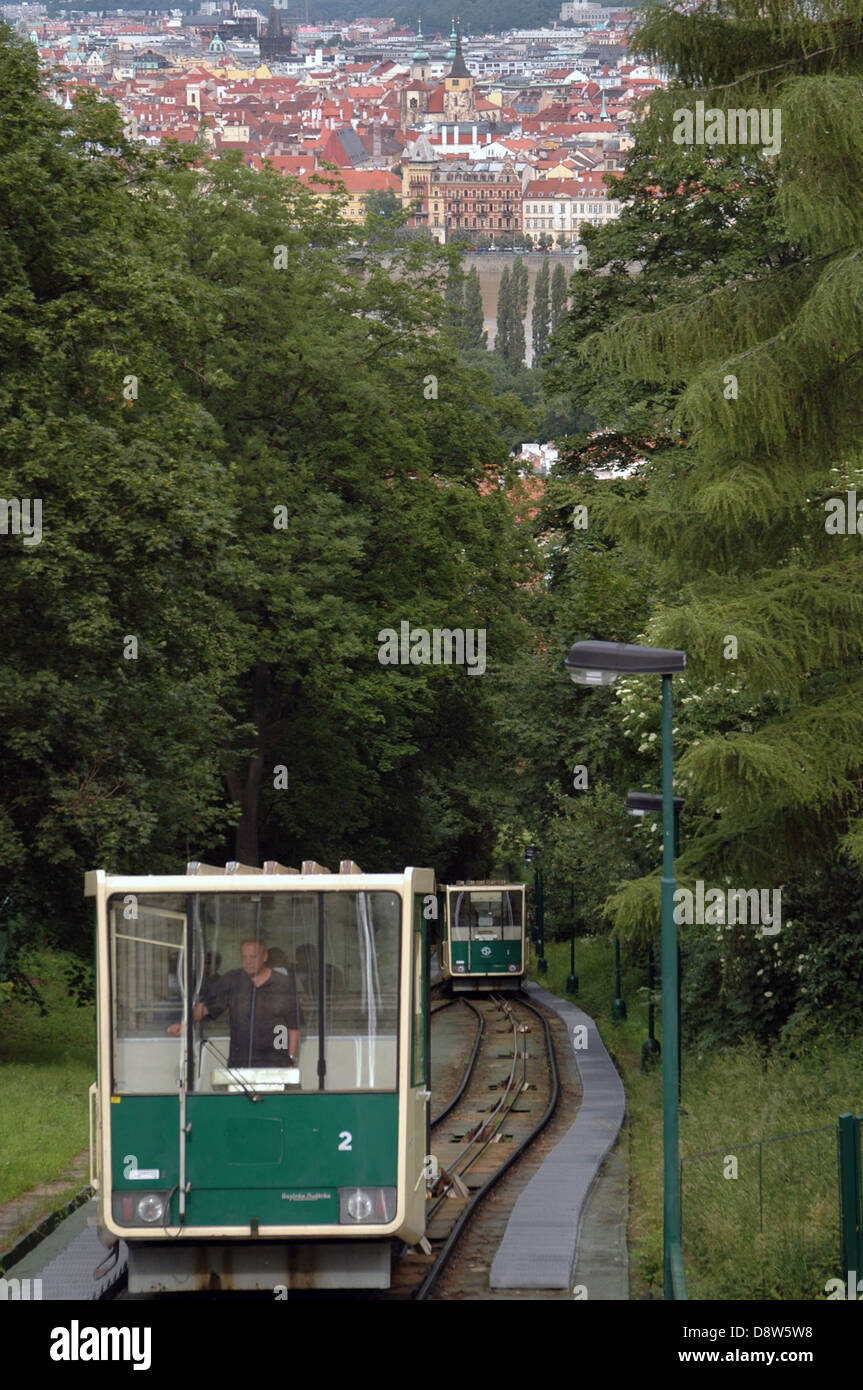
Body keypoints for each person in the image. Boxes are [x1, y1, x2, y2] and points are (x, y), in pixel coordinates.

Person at [167, 939, 300, 1067]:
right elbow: (205, 1007)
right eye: (244, 957)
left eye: (253, 957)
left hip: (276, 1060)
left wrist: (291, 1059)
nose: (248, 962)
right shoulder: (232, 980)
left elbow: (293, 1026)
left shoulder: (283, 983)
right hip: (241, 1061)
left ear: (265, 956)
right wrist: (185, 1024)